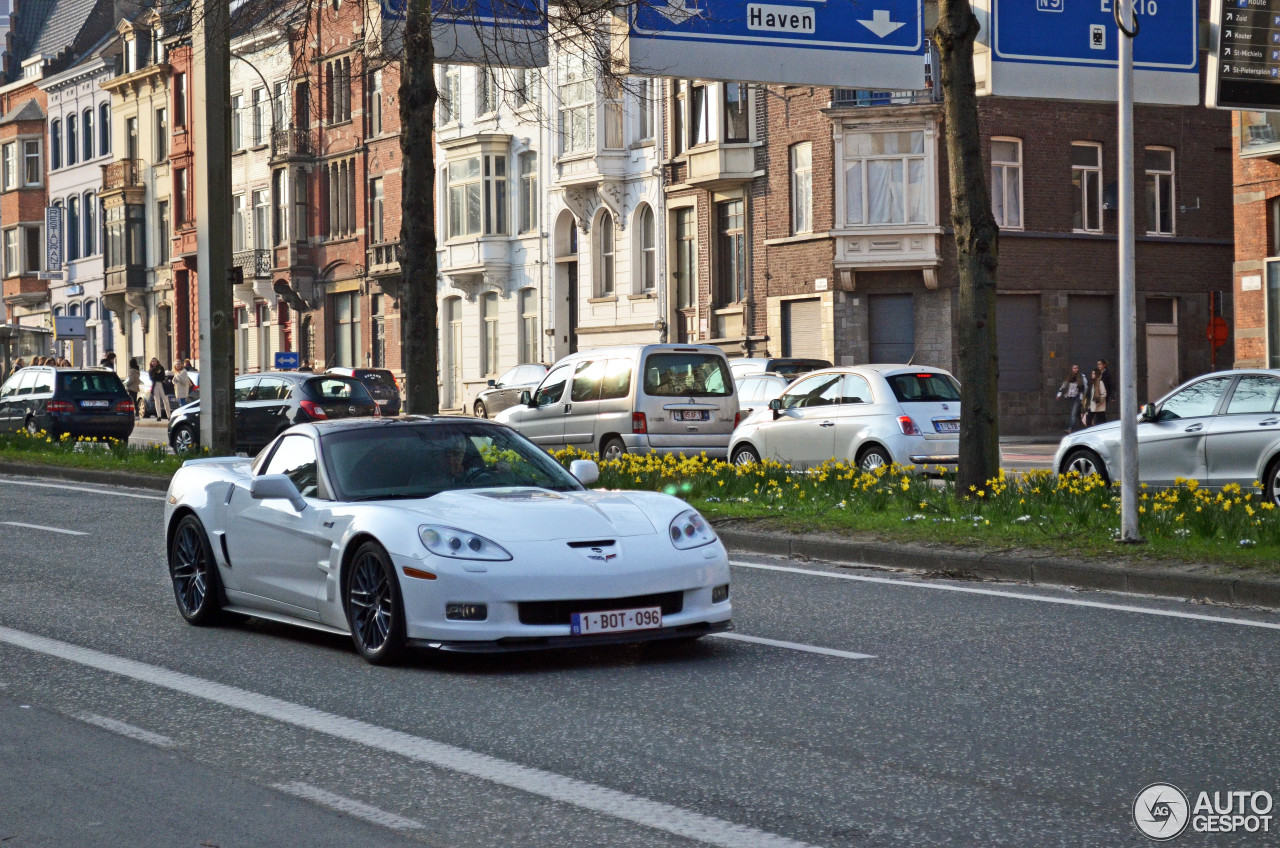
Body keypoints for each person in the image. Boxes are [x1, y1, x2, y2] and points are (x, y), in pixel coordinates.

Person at [1056, 364, 1088, 434]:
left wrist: (1084, 397)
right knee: (1077, 414)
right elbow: (1063, 386)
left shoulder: (1082, 377)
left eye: (1077, 368)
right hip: (1070, 397)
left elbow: (1085, 387)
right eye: (1074, 368)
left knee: (1073, 413)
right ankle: (1085, 426)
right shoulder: (1069, 378)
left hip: (1078, 397)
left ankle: (1069, 429)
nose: (1076, 369)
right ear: (1071, 369)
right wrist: (1059, 395)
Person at [1094, 359, 1114, 424]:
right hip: (1097, 394)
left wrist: (1113, 396)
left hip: (1104, 394)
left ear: (1104, 365)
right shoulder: (1097, 373)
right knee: (1099, 410)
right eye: (1098, 364)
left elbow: (1111, 385)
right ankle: (1101, 423)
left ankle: (1100, 423)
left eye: (1100, 364)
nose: (1098, 366)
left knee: (1101, 410)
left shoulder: (1107, 373)